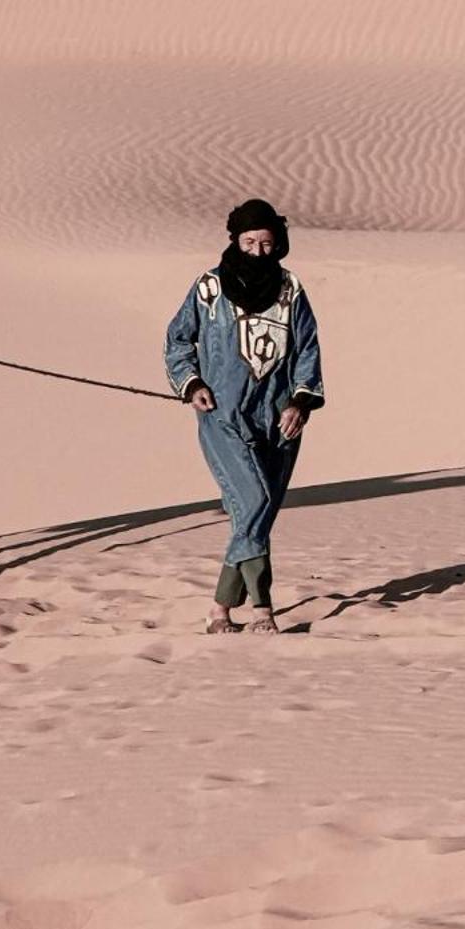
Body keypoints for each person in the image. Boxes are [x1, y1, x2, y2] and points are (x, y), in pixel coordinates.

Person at [163, 198, 325, 634]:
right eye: (249, 241)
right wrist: (192, 384)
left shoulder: (290, 290)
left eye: (267, 243)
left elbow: (307, 349)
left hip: (279, 421)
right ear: (235, 240)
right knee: (253, 502)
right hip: (223, 415)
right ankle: (262, 611)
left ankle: (221, 611)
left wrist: (300, 402)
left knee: (256, 514)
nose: (257, 252)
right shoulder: (209, 288)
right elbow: (179, 339)